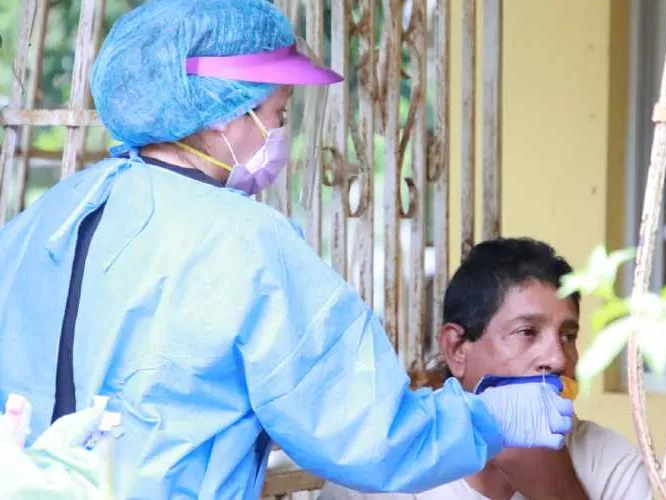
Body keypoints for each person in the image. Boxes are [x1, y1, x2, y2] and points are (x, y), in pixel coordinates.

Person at [0, 1, 573, 498]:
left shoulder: (46, 218)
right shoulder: (244, 241)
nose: (281, 135)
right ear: (224, 113)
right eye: (278, 114)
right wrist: (488, 418)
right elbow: (363, 433)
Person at [320, 238, 652, 500]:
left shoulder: (613, 464)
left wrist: (557, 490)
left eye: (568, 336)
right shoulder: (383, 472)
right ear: (456, 349)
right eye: (527, 332)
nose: (558, 359)